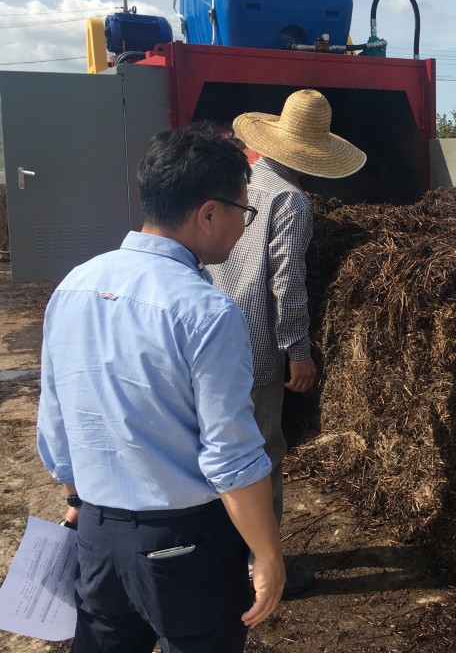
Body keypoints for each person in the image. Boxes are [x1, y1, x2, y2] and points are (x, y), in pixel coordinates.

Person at [37, 123, 285, 652]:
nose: (243, 226)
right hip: (184, 543)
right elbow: (232, 457)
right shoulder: (206, 312)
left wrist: (80, 496)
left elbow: (57, 424)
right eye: (244, 211)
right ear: (209, 212)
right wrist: (266, 553)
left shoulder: (74, 284)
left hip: (97, 534)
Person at [209, 89, 366, 596]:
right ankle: (262, 567)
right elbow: (286, 281)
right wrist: (298, 350)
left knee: (219, 450)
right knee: (261, 457)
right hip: (257, 347)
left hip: (212, 336)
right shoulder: (291, 200)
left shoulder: (242, 182)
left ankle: (222, 555)